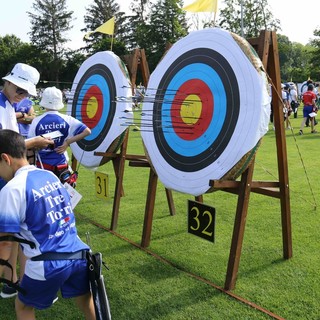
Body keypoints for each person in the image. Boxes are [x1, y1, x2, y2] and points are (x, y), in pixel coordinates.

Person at [0, 129, 96, 319]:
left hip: (48, 263)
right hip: (80, 254)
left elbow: (5, 244)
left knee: (23, 306)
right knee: (85, 299)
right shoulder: (50, 176)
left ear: (5, 158)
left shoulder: (11, 190)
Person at [0, 63, 53, 299]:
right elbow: (5, 147)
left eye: (25, 93)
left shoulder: (9, 106)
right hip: (3, 176)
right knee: (8, 235)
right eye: (19, 90)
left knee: (15, 233)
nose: (22, 96)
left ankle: (11, 281)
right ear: (8, 82)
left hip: (8, 175)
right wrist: (34, 143)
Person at [28, 86, 91, 185]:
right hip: (62, 166)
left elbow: (30, 145)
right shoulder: (67, 119)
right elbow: (87, 131)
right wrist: (67, 143)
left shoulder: (36, 121)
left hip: (43, 166)